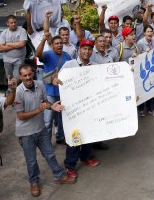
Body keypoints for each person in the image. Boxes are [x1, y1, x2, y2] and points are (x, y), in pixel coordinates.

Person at [14, 65, 75, 196]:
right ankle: (34, 182)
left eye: (30, 74)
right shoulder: (18, 92)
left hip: (40, 129)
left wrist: (52, 106)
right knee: (31, 160)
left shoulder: (40, 84)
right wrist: (38, 110)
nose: (28, 77)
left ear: (33, 73)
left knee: (50, 154)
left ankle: (58, 175)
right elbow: (20, 116)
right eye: (25, 75)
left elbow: (45, 102)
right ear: (20, 77)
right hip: (26, 133)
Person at [56, 40, 100, 178]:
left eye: (89, 49)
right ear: (79, 50)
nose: (87, 52)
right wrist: (55, 80)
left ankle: (86, 157)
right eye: (84, 49)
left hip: (90, 106)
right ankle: (70, 165)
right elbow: (58, 79)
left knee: (89, 133)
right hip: (73, 109)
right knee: (75, 136)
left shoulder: (96, 66)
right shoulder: (69, 65)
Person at [35, 35, 71, 144]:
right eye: (57, 43)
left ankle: (60, 137)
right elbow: (37, 54)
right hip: (50, 93)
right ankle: (47, 143)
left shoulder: (67, 56)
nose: (59, 45)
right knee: (47, 120)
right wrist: (44, 39)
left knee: (62, 118)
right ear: (52, 45)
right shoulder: (47, 55)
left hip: (63, 92)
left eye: (61, 43)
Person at [136, 26, 154, 117]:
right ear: (144, 33)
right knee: (142, 89)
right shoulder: (140, 43)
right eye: (148, 31)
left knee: (152, 88)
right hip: (143, 69)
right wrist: (144, 53)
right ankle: (141, 109)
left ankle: (152, 108)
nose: (150, 33)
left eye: (151, 31)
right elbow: (136, 56)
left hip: (152, 69)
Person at [0, 15, 28, 81]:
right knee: (9, 78)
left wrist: (8, 44)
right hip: (7, 60)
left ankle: (16, 90)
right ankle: (11, 90)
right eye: (11, 23)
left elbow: (22, 44)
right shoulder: (4, 33)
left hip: (19, 59)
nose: (13, 24)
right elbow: (1, 48)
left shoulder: (22, 31)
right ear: (7, 23)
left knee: (17, 79)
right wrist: (17, 45)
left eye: (15, 22)